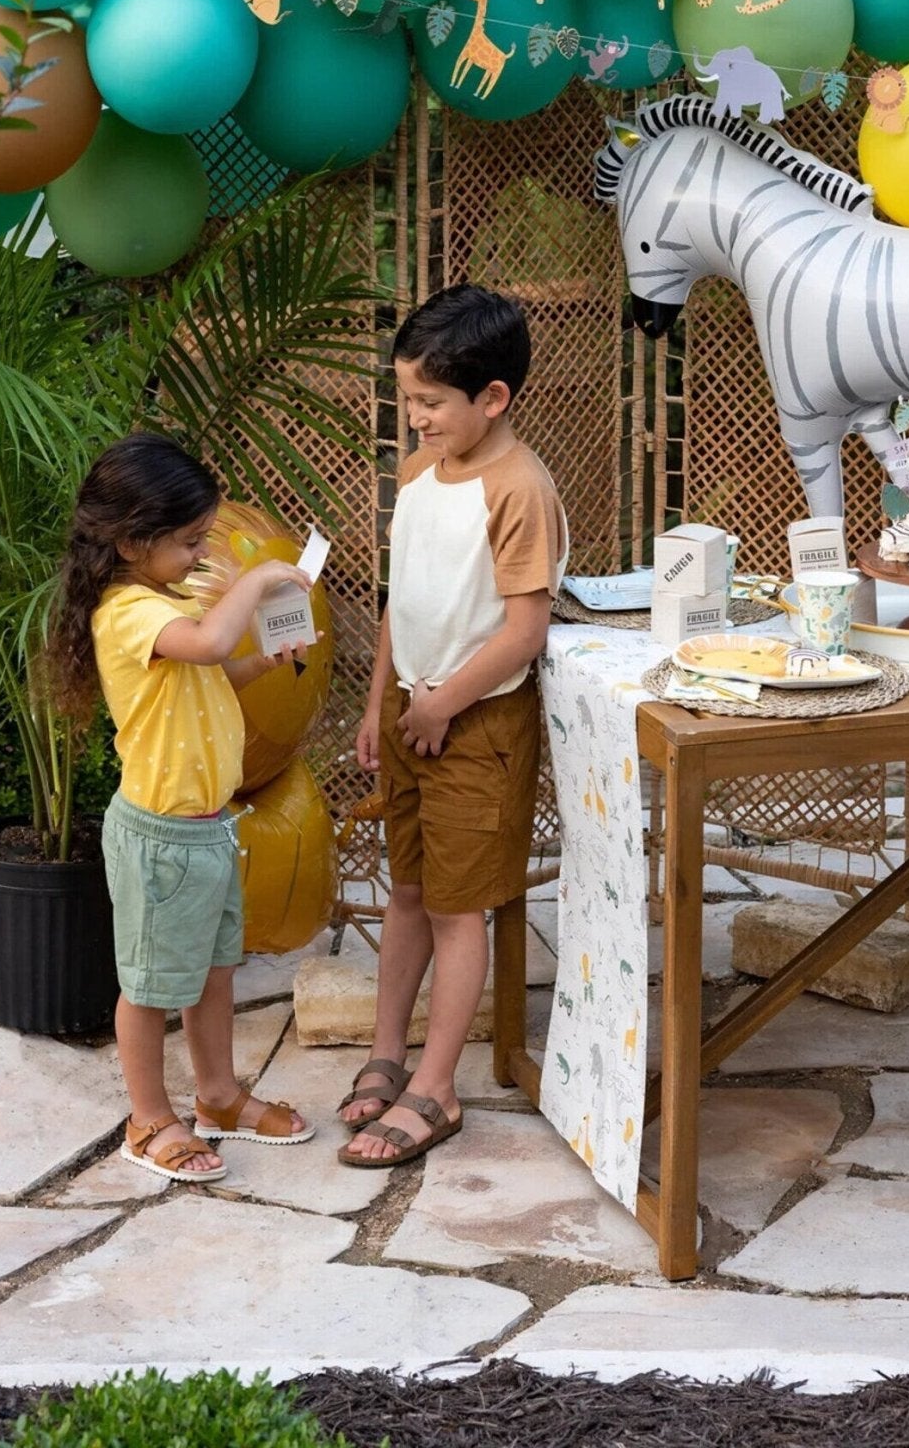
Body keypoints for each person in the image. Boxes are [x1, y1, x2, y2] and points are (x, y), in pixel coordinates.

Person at [339, 284, 567, 1169]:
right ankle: (387, 1054)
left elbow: (523, 630)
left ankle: (436, 1088)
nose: (416, 418)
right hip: (414, 711)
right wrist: (381, 702)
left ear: (494, 397)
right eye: (409, 399)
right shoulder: (417, 475)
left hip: (477, 724)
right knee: (406, 888)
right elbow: (402, 601)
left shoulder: (520, 489)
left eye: (431, 402)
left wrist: (442, 704)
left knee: (455, 904)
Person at [49, 433, 316, 1184]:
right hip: (160, 840)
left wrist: (262, 661)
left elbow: (210, 672)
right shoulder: (127, 611)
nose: (202, 555)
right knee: (149, 987)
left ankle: (219, 1097)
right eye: (192, 541)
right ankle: (147, 1119)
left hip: (208, 830)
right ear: (132, 541)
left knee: (215, 972)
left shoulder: (166, 602)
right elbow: (205, 643)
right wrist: (257, 578)